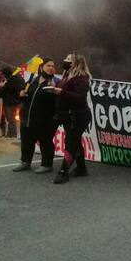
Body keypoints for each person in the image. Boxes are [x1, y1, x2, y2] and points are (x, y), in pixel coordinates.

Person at [15, 59, 59, 173]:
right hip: (28, 117)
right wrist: (22, 94)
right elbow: (27, 96)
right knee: (26, 140)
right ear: (41, 67)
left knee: (46, 142)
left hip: (45, 119)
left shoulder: (54, 82)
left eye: (52, 66)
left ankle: (47, 164)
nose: (51, 68)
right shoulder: (33, 80)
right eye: (48, 65)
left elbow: (58, 101)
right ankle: (25, 162)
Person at [53, 54, 91, 184]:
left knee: (70, 143)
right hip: (68, 115)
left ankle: (64, 172)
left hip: (78, 115)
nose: (65, 61)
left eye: (69, 60)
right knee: (75, 141)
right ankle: (81, 168)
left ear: (76, 63)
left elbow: (80, 96)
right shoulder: (67, 75)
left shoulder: (81, 78)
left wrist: (61, 92)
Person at [0, 67, 26, 138]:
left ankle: (12, 134)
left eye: (2, 74)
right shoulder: (19, 78)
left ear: (5, 74)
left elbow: (8, 90)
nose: (2, 76)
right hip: (20, 101)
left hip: (11, 102)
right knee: (20, 119)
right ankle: (22, 134)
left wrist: (3, 86)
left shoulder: (11, 81)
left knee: (11, 119)